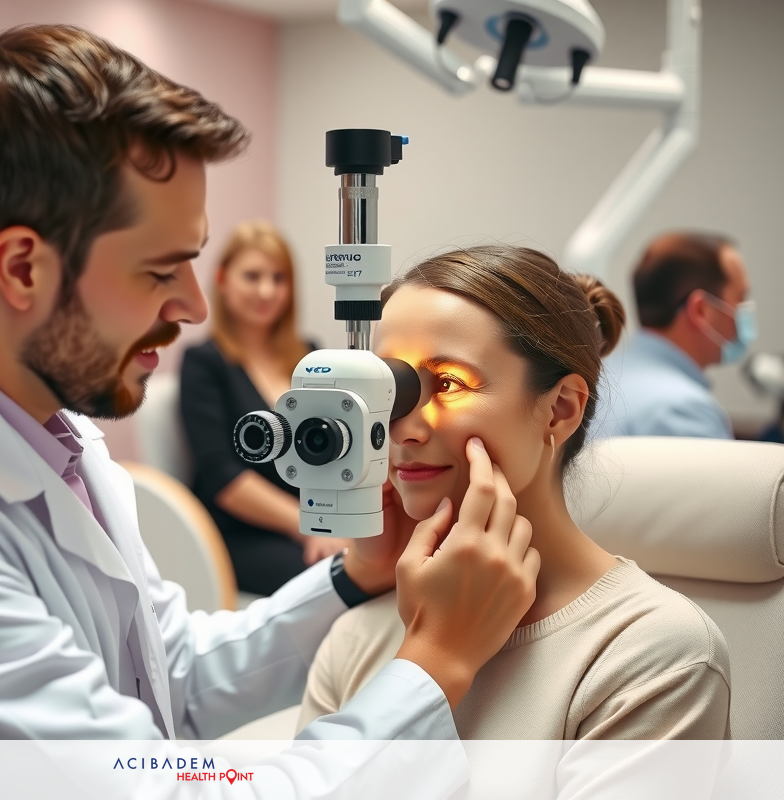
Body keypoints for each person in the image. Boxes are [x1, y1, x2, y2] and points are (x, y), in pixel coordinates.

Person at [0, 26, 540, 791]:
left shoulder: (49, 426)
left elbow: (165, 674)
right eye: (160, 271)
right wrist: (436, 664)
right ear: (21, 268)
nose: (193, 306)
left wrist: (353, 574)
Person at [299, 245, 732, 742]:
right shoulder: (356, 636)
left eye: (448, 383)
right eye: (390, 387)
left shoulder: (657, 657)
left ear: (560, 409)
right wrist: (434, 654)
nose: (402, 428)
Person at [180, 221, 347, 595]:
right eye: (252, 276)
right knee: (334, 583)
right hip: (239, 531)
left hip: (313, 519)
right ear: (222, 279)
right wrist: (308, 525)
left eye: (278, 278)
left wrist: (334, 520)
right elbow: (223, 477)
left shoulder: (309, 355)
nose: (267, 290)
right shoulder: (204, 363)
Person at [594, 232, 755, 439]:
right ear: (701, 311)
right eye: (741, 297)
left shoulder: (599, 376)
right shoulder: (684, 412)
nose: (745, 309)